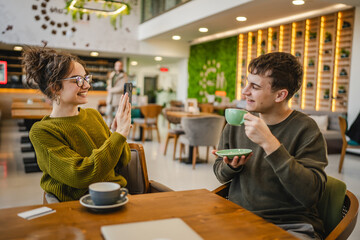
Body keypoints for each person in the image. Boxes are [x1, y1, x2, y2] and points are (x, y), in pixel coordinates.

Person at [213, 52, 328, 240]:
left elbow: (311, 194)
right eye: (247, 83)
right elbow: (219, 172)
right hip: (239, 220)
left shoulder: (306, 129)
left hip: (289, 225)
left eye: (255, 86)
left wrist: (270, 143)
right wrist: (230, 166)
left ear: (280, 95)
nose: (244, 91)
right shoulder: (236, 124)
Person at [23, 47, 132, 202]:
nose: (87, 86)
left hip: (116, 197)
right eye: (78, 80)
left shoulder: (93, 115)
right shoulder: (42, 131)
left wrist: (116, 133)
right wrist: (119, 135)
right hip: (76, 207)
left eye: (86, 79)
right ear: (55, 87)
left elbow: (122, 161)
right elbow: (81, 175)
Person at [106, 60, 128, 126]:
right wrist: (109, 87)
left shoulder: (124, 76)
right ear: (115, 66)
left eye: (119, 65)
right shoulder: (112, 74)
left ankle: (116, 130)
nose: (118, 67)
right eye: (117, 65)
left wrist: (111, 90)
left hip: (118, 99)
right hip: (110, 98)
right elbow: (109, 84)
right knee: (108, 114)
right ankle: (108, 130)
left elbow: (121, 88)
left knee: (117, 116)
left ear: (122, 67)